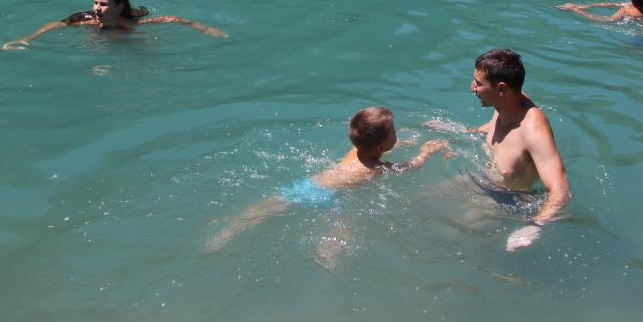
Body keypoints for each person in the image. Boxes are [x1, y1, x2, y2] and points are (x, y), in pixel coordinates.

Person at [204, 106, 453, 266]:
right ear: (380, 147)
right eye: (395, 134)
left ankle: (232, 228)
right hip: (335, 196)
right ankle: (328, 251)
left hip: (313, 185)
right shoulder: (376, 168)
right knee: (347, 221)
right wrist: (426, 152)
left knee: (268, 207)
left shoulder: (357, 152)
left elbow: (380, 148)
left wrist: (402, 141)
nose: (398, 136)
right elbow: (408, 169)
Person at [466, 48, 570, 253]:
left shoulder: (533, 131)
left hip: (508, 202)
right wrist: (458, 131)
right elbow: (491, 128)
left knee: (450, 232)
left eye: (478, 84)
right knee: (425, 199)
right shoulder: (505, 103)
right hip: (484, 183)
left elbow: (561, 191)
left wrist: (534, 226)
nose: (472, 89)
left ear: (501, 89)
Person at [2, 0, 227, 49]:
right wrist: (28, 39)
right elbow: (54, 25)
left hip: (123, 32)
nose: (97, 8)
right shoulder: (86, 20)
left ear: (119, 7)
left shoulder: (131, 20)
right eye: (95, 3)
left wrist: (206, 29)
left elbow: (172, 19)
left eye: (104, 4)